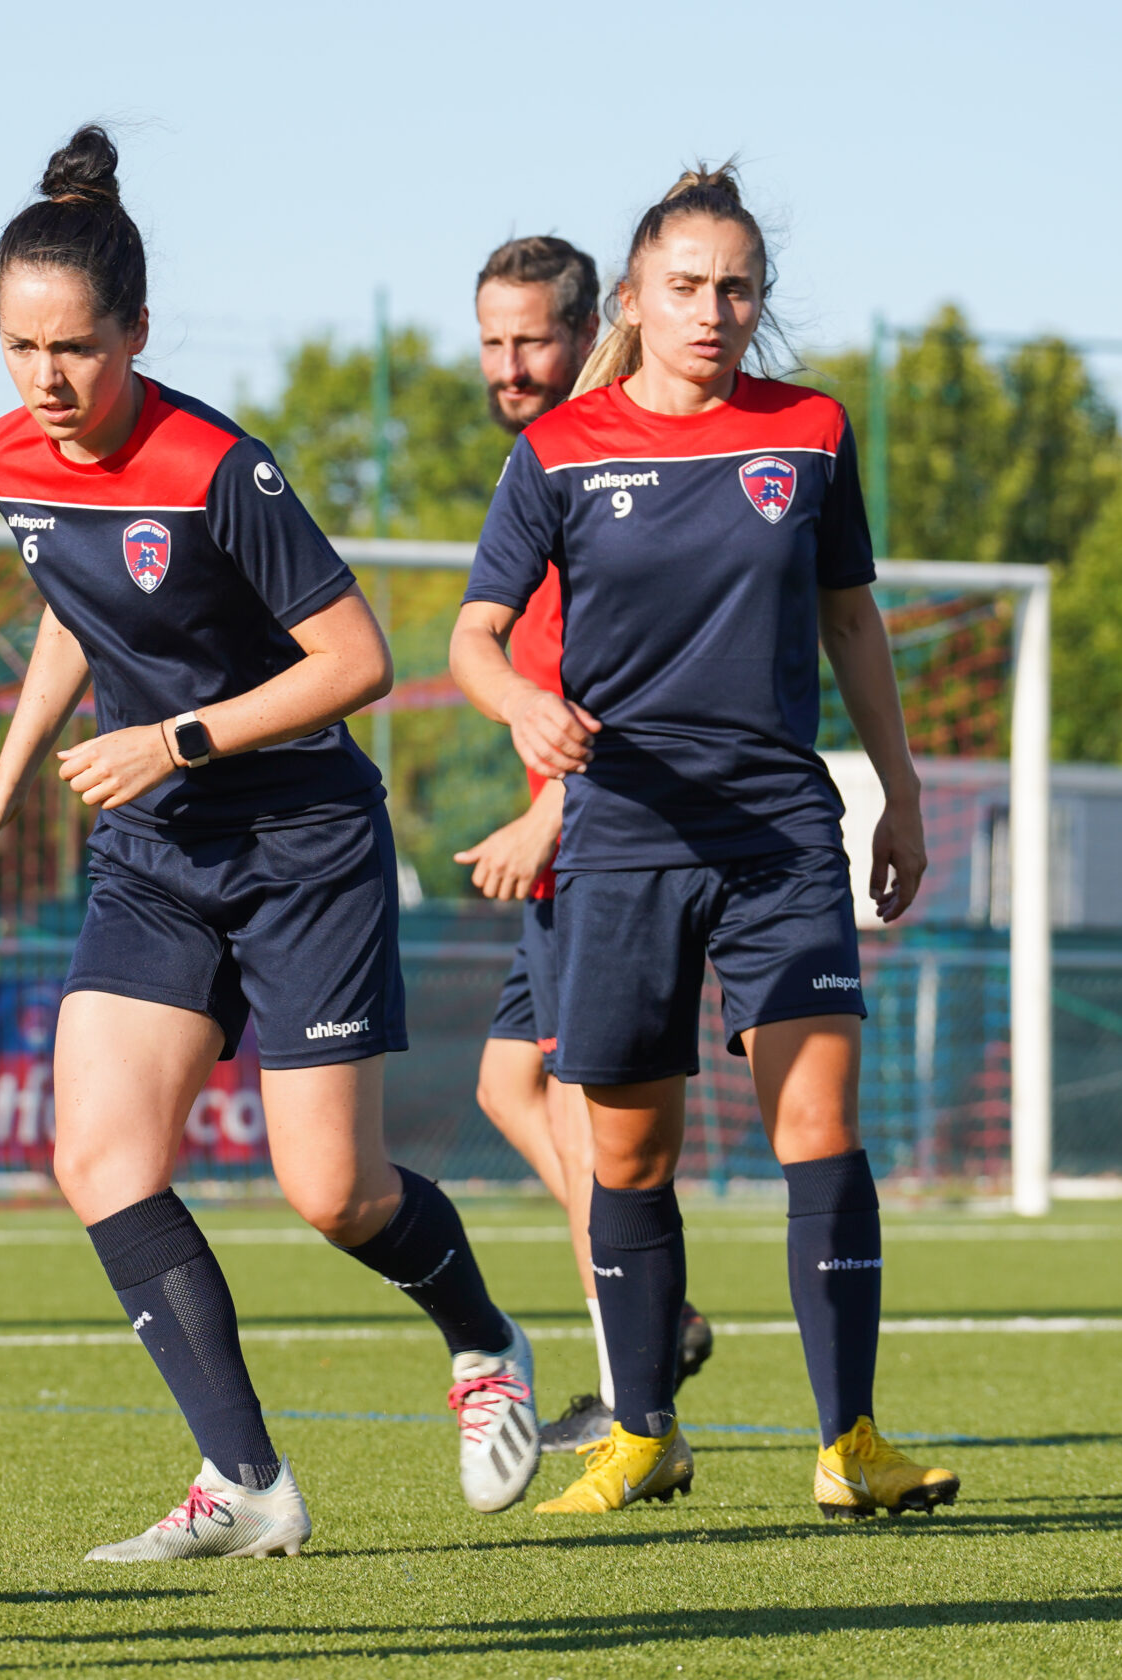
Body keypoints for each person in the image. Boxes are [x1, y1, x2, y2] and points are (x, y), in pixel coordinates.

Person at [0, 126, 543, 1559]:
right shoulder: (9, 454)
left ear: (139, 331)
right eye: (20, 345)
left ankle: (483, 1336)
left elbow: (359, 658)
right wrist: (4, 774)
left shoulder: (215, 466)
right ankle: (247, 1479)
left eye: (75, 346)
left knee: (332, 1190)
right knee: (99, 1154)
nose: (46, 378)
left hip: (298, 839)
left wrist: (181, 737)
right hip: (155, 850)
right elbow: (79, 613)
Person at [450, 164, 962, 1520]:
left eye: (738, 288)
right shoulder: (560, 448)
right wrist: (522, 704)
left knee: (821, 1123)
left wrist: (898, 793)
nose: (713, 310)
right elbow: (475, 634)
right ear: (635, 295)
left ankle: (851, 1440)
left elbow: (852, 617)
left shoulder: (811, 430)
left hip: (780, 834)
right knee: (627, 1157)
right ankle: (644, 1431)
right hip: (620, 838)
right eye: (686, 286)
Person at [454, 236, 713, 1455]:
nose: (509, 365)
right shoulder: (545, 466)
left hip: (595, 841)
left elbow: (630, 685)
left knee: (574, 1113)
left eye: (531, 342)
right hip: (568, 840)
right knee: (506, 1084)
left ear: (585, 334)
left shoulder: (607, 471)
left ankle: (630, 1384)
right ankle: (664, 1314)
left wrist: (547, 813)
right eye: (492, 342)